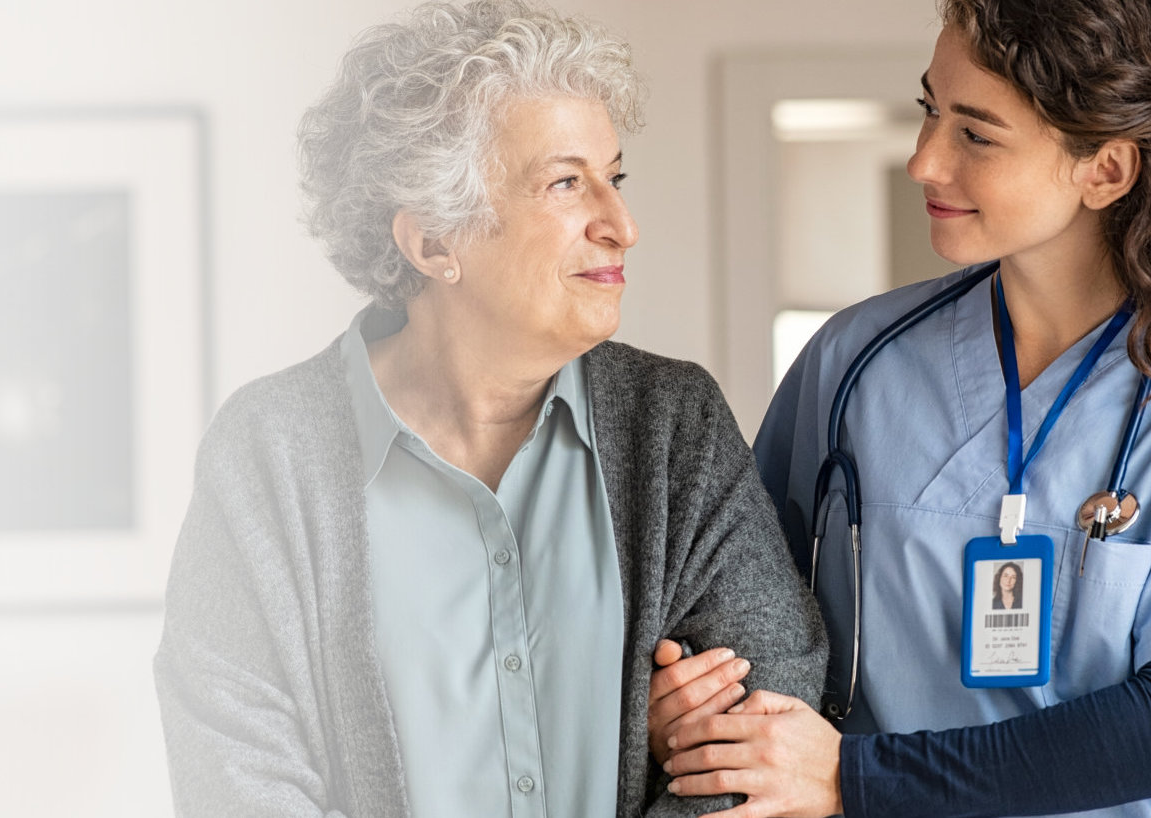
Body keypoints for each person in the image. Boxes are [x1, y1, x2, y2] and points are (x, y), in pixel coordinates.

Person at [647, 0, 1151, 816]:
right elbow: (734, 614)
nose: (923, 161)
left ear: (1106, 170)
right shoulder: (854, 362)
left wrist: (856, 779)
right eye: (929, 112)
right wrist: (697, 709)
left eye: (975, 134)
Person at [151, 3, 826, 817]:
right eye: (566, 182)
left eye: (614, 177)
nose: (622, 226)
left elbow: (764, 740)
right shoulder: (267, 454)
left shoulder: (675, 425)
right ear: (434, 243)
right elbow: (239, 780)